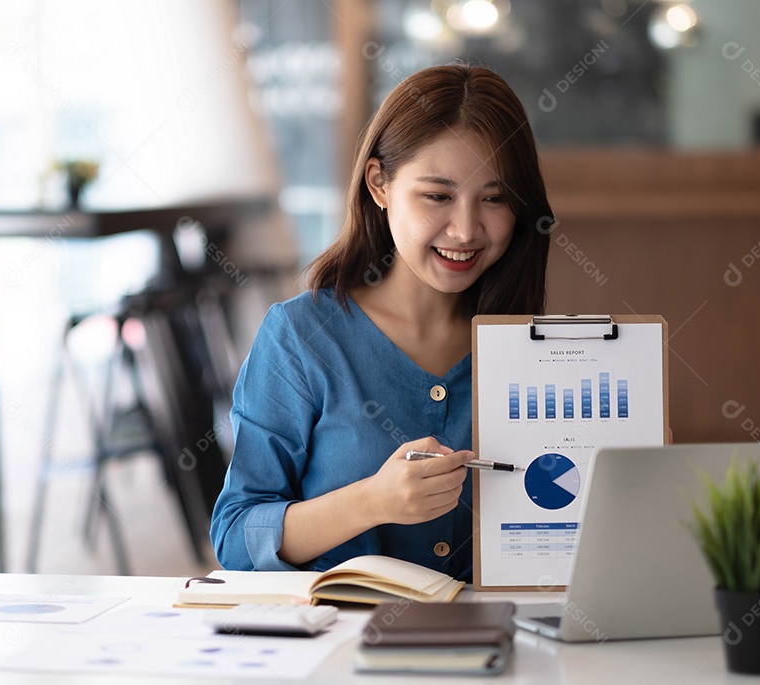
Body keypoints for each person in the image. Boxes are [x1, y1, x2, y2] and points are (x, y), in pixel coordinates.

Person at [210, 64, 553, 582]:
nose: (465, 229)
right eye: (437, 196)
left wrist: (618, 472)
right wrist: (371, 500)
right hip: (340, 644)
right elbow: (235, 536)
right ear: (380, 184)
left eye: (495, 198)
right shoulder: (301, 337)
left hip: (498, 640)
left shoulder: (538, 347)